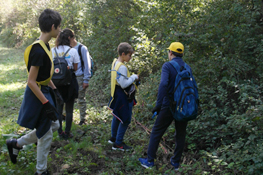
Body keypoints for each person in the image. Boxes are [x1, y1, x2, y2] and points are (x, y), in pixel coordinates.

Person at [6, 9, 62, 175]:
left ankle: (16, 144)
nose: (59, 31)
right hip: (38, 94)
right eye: (58, 28)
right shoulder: (38, 51)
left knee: (55, 124)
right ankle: (41, 170)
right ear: (53, 27)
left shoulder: (44, 46)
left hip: (44, 90)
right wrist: (46, 104)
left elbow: (43, 76)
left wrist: (54, 89)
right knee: (45, 134)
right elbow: (31, 81)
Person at [139, 42, 192, 170]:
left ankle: (150, 161)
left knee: (157, 131)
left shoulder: (167, 66)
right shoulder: (187, 67)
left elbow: (163, 84)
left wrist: (158, 105)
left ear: (171, 53)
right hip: (183, 106)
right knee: (180, 134)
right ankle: (176, 163)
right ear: (182, 54)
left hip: (169, 105)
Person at [108, 42, 139, 151]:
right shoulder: (122, 67)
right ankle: (118, 143)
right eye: (129, 55)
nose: (130, 57)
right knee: (125, 119)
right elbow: (124, 84)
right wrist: (134, 77)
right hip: (122, 95)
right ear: (123, 54)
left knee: (117, 116)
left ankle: (113, 137)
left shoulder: (115, 62)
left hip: (116, 93)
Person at [51, 28, 80, 139]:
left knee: (58, 108)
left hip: (56, 83)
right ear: (69, 38)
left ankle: (59, 132)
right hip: (69, 83)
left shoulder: (53, 50)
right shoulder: (73, 51)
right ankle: (67, 133)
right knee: (69, 110)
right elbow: (76, 68)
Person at [69, 31, 92, 125]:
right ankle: (66, 117)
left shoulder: (82, 48)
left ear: (71, 37)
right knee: (69, 98)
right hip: (69, 77)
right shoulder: (67, 48)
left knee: (80, 99)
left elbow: (87, 64)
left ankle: (82, 119)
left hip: (79, 77)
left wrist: (86, 79)